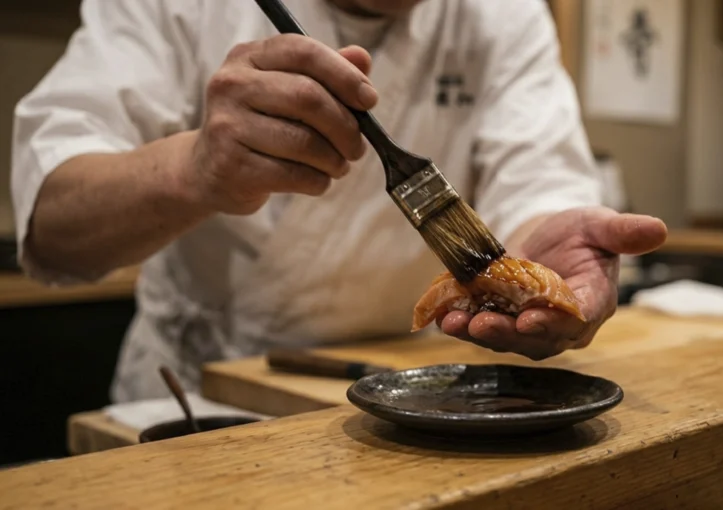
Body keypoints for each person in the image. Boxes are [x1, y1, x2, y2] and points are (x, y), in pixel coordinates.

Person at [11, 0, 667, 402]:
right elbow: (52, 225)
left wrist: (551, 257)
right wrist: (195, 168)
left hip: (409, 393)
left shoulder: (505, 12)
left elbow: (537, 181)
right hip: (199, 398)